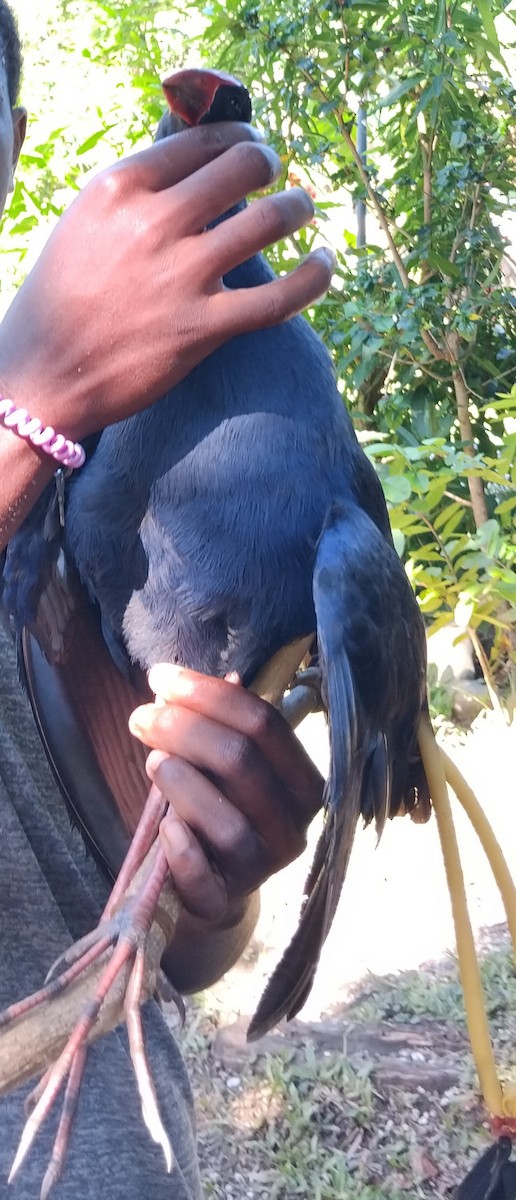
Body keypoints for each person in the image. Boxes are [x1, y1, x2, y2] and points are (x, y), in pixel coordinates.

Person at [0, 4, 326, 1197]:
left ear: (15, 136)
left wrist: (214, 889)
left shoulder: (101, 419)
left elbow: (171, 939)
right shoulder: (47, 401)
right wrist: (32, 413)